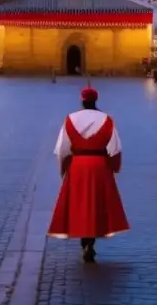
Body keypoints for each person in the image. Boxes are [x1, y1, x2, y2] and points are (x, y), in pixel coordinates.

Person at [48, 86, 129, 263]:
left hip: (78, 165)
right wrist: (114, 167)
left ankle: (85, 241)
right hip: (100, 166)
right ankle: (90, 242)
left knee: (80, 204)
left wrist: (63, 168)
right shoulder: (107, 119)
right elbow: (115, 148)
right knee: (96, 204)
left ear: (82, 100)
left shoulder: (70, 119)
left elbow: (62, 149)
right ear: (95, 100)